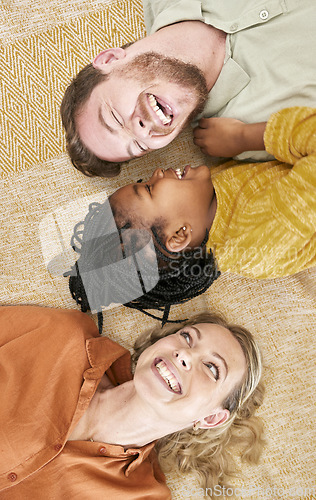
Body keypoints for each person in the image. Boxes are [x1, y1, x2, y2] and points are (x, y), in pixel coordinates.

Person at [66, 106, 316, 323]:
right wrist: (244, 137)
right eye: (150, 189)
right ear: (179, 234)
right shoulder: (266, 228)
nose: (157, 172)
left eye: (145, 180)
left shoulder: (208, 207)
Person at [0, 305, 264, 498]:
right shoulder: (63, 336)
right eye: (187, 337)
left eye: (211, 367)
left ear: (210, 418)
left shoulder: (143, 497)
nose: (185, 354)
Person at [60, 0, 316, 177]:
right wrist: (247, 137)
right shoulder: (258, 131)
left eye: (115, 118)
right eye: (139, 146)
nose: (142, 131)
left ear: (110, 60)